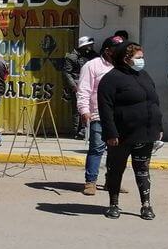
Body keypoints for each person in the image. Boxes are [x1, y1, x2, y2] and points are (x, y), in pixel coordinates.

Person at [98, 42, 162, 220]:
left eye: (142, 57)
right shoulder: (111, 79)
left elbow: (154, 102)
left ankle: (146, 205)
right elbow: (105, 109)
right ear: (125, 59)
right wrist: (111, 133)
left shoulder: (144, 75)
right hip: (121, 136)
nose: (142, 61)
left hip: (145, 133)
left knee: (142, 170)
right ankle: (113, 204)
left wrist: (159, 127)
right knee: (115, 170)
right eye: (138, 58)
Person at [76, 35, 123, 196]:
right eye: (117, 50)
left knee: (116, 151)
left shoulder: (122, 66)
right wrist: (84, 110)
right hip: (98, 114)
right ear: (107, 51)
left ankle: (112, 182)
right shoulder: (92, 66)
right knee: (96, 149)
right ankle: (91, 182)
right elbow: (84, 90)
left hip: (120, 117)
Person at [63, 36, 98, 139]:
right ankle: (77, 131)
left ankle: (86, 130)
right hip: (78, 85)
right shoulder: (71, 57)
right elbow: (66, 73)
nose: (91, 47)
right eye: (89, 45)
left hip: (91, 85)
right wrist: (73, 86)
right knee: (78, 109)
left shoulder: (92, 56)